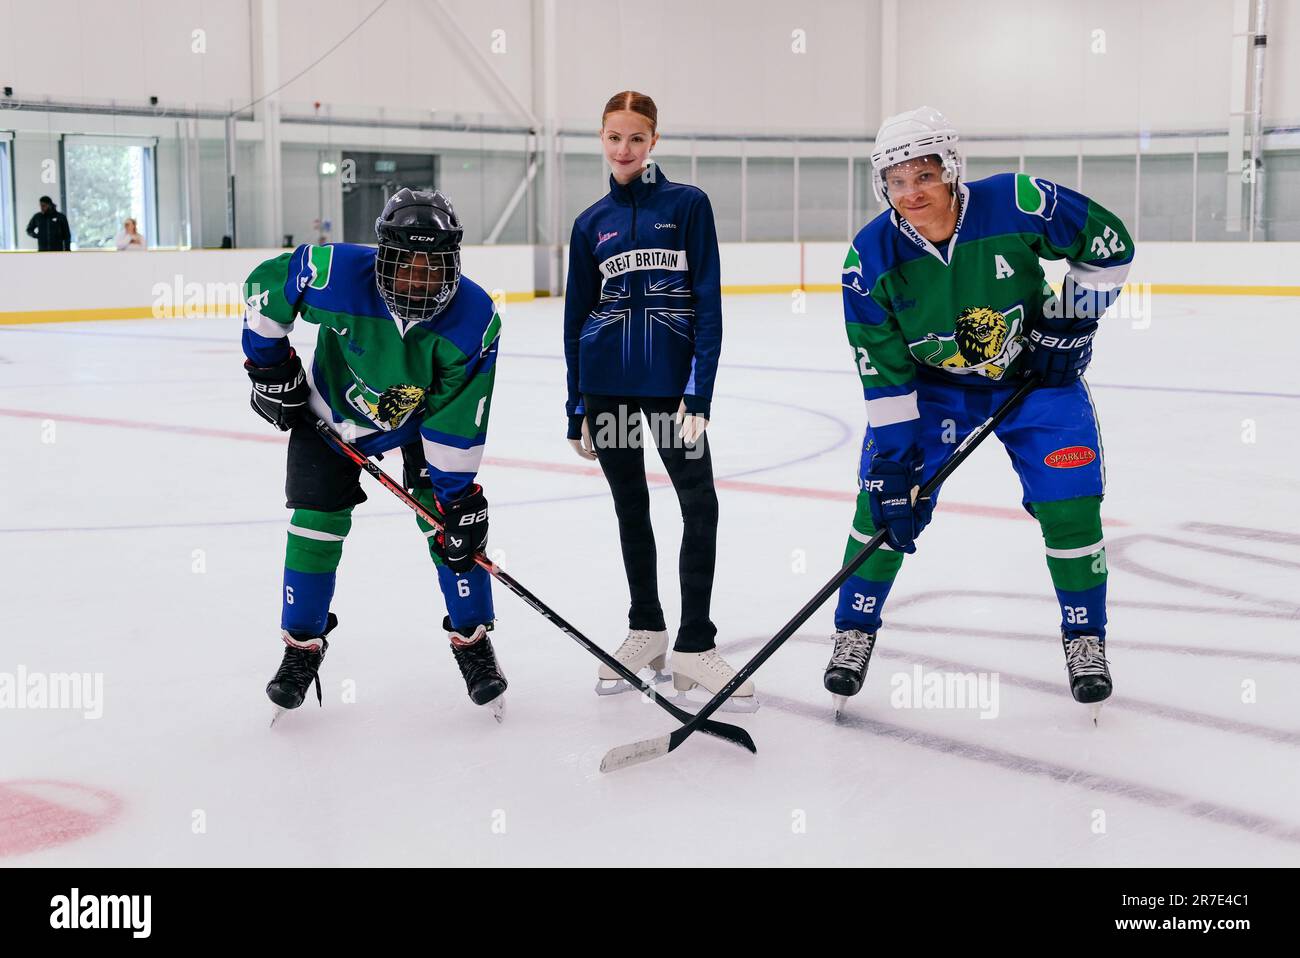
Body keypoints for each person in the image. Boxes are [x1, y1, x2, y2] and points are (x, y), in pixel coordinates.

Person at [824, 106, 1132, 715]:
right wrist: (893, 464)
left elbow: (1110, 245)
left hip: (1034, 382)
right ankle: (854, 630)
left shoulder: (1017, 202)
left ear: (952, 169)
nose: (911, 193)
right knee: (881, 505)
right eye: (896, 180)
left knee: (1070, 504)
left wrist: (1067, 321)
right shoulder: (869, 259)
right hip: (934, 388)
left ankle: (1085, 638)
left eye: (924, 175)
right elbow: (883, 376)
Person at [240, 188, 507, 719]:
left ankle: (472, 639)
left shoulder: (474, 319)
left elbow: (457, 417)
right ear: (383, 257)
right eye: (406, 265)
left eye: (433, 268)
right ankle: (301, 648)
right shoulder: (335, 271)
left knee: (452, 533)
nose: (418, 280)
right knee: (314, 527)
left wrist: (456, 501)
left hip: (415, 424)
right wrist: (268, 365)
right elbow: (266, 286)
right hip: (328, 414)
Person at [563, 91, 754, 710]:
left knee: (699, 504)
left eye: (636, 138)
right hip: (607, 389)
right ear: (601, 138)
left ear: (653, 142)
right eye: (613, 137)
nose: (624, 149)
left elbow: (708, 304)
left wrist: (700, 393)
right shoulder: (591, 223)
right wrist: (575, 406)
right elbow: (574, 319)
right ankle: (646, 630)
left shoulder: (688, 206)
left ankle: (696, 647)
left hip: (673, 394)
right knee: (631, 506)